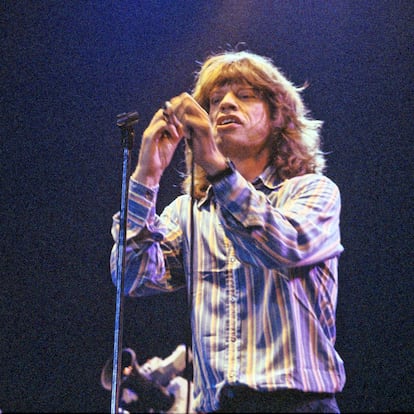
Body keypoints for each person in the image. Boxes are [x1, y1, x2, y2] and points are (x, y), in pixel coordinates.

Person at [110, 49, 346, 413]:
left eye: (245, 96)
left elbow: (279, 246)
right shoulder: (189, 212)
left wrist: (219, 170)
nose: (226, 106)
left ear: (277, 116)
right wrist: (146, 178)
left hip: (298, 403)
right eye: (216, 101)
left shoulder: (311, 192)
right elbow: (131, 276)